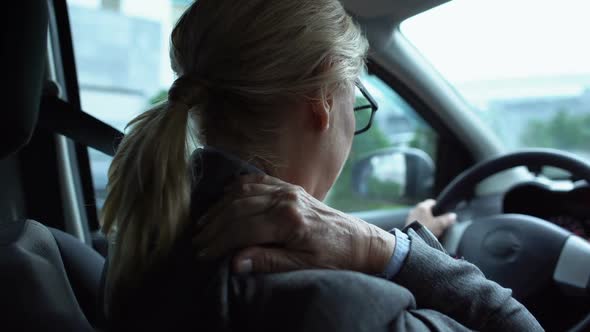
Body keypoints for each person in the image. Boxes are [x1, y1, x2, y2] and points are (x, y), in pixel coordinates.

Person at [100, 0, 542, 331]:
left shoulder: (144, 246)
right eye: (356, 96)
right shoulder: (338, 308)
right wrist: (386, 251)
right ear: (323, 102)